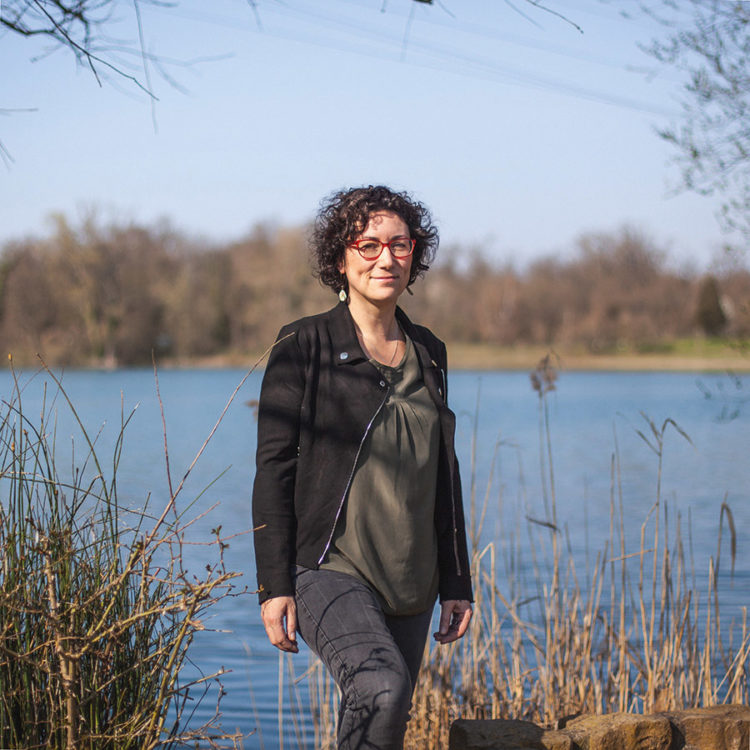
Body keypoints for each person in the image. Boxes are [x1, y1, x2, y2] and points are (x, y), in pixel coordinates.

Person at [252, 185, 473, 750]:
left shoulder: (429, 351)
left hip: (414, 578)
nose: (385, 258)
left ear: (414, 256)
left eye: (400, 244)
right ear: (342, 258)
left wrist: (457, 581)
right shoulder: (305, 344)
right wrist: (274, 585)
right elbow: (274, 469)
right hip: (330, 567)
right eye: (368, 243)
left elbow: (442, 471)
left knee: (386, 717)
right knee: (379, 686)